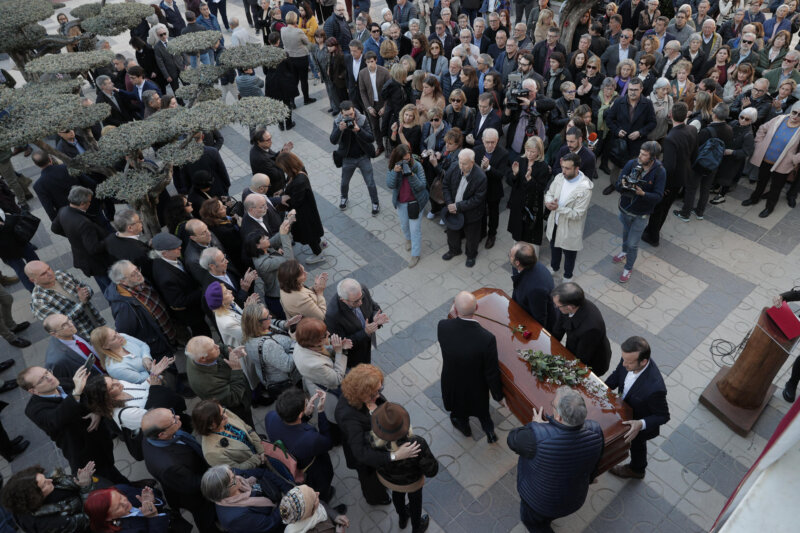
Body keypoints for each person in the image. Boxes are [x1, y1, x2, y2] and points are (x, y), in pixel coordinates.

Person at [507, 386, 604, 532]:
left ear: (558, 417)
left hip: (538, 503)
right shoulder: (596, 430)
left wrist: (536, 426)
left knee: (535, 524)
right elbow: (595, 462)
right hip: (574, 499)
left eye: (553, 405)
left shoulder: (537, 437)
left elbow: (512, 439)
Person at [19, 366, 128, 484]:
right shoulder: (34, 410)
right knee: (105, 480)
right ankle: (129, 489)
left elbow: (89, 394)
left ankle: (128, 485)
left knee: (110, 467)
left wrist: (96, 411)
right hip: (84, 453)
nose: (49, 378)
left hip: (100, 439)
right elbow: (56, 418)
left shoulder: (61, 382)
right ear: (33, 391)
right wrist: (76, 393)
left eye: (47, 372)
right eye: (41, 380)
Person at [335, 364, 420, 505]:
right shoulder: (348, 416)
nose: (378, 395)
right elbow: (361, 453)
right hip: (366, 459)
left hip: (376, 446)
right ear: (361, 394)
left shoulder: (363, 390)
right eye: (374, 394)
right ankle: (376, 498)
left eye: (379, 389)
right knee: (370, 481)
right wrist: (395, 456)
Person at [141, 408, 222, 533]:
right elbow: (192, 484)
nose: (178, 417)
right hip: (193, 495)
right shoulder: (169, 465)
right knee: (205, 515)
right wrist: (220, 474)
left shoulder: (150, 437)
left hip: (185, 476)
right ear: (161, 435)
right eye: (173, 420)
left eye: (173, 413)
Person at [438, 291, 504, 442]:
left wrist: (453, 313)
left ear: (454, 309)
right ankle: (490, 433)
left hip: (452, 382)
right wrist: (498, 396)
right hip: (477, 386)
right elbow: (491, 372)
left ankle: (465, 429)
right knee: (483, 413)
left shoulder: (443, 326)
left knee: (459, 411)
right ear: (477, 307)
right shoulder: (487, 338)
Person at [605, 336, 670, 479]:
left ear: (643, 361)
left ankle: (637, 470)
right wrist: (602, 389)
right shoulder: (627, 359)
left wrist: (640, 424)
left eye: (628, 362)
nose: (623, 364)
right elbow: (617, 375)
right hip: (625, 410)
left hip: (638, 423)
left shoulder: (655, 388)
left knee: (637, 445)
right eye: (623, 359)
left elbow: (663, 416)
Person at [370, 402, 437, 533]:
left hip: (390, 481)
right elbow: (432, 470)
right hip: (412, 483)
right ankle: (417, 527)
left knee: (397, 495)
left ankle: (402, 518)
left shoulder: (373, 441)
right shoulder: (416, 443)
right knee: (415, 501)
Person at [265, 388, 335, 501]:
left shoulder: (270, 417)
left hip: (291, 459)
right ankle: (325, 500)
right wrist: (321, 411)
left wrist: (305, 416)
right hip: (313, 470)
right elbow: (328, 442)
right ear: (299, 415)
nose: (309, 404)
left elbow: (293, 427)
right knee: (322, 487)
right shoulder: (310, 440)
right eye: (306, 404)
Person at [642, 102, 697, 246]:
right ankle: (652, 230)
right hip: (682, 176)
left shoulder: (671, 138)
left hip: (670, 181)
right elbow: (694, 153)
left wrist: (662, 186)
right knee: (665, 208)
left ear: (671, 115)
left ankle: (652, 236)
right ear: (686, 115)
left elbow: (669, 166)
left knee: (658, 209)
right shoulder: (691, 129)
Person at [612, 141, 666, 283]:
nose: (640, 156)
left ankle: (628, 268)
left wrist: (643, 194)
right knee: (625, 235)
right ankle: (624, 252)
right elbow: (618, 185)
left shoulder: (660, 172)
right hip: (625, 209)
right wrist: (622, 185)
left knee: (633, 244)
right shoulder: (632, 164)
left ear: (653, 157)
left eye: (644, 155)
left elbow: (659, 196)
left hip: (641, 215)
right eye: (640, 153)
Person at [673, 103, 734, 222]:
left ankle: (685, 213)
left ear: (715, 115)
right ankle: (699, 212)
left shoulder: (707, 131)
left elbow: (695, 147)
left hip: (699, 164)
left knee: (691, 188)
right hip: (714, 164)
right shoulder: (729, 129)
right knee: (705, 188)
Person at [106, 260, 176, 359]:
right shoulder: (124, 308)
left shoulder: (137, 281)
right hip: (159, 348)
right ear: (123, 281)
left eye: (137, 269)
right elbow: (126, 335)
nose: (138, 274)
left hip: (168, 334)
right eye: (132, 274)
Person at [50, 186, 114, 294]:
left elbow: (54, 228)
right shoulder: (84, 223)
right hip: (97, 263)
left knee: (103, 286)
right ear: (82, 204)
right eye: (89, 201)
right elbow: (94, 248)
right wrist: (111, 239)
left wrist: (73, 236)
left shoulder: (63, 210)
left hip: (85, 260)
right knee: (111, 289)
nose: (90, 203)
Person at [742, 101, 800, 217]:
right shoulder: (780, 118)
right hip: (766, 159)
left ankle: (769, 207)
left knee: (776, 188)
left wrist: (794, 159)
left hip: (783, 164)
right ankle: (754, 199)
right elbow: (762, 128)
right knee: (761, 182)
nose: (796, 116)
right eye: (794, 112)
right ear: (791, 110)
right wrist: (759, 144)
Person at [0, 463, 96, 533]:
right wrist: (85, 487)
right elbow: (88, 519)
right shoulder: (51, 523)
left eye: (44, 477)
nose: (50, 480)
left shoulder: (24, 499)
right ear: (34, 497)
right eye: (44, 484)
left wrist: (75, 482)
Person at [199, 464, 294, 533]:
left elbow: (263, 472)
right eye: (233, 479)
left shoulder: (232, 476)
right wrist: (288, 500)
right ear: (225, 492)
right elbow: (270, 523)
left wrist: (288, 488)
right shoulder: (236, 518)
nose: (238, 477)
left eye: (233, 473)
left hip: (280, 502)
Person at [150, 232, 212, 337]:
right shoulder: (166, 277)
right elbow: (178, 301)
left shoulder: (171, 258)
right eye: (174, 247)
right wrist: (202, 290)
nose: (179, 247)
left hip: (195, 303)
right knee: (202, 332)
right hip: (191, 314)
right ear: (164, 253)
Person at [602, 78, 657, 195]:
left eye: (635, 90)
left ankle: (627, 186)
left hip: (637, 143)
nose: (632, 92)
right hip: (620, 142)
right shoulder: (619, 102)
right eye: (630, 89)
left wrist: (640, 132)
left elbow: (652, 123)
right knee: (616, 165)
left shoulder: (647, 104)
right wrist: (617, 131)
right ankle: (614, 184)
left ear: (641, 89)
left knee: (634, 166)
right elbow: (609, 119)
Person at [544, 152, 593, 281]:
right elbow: (549, 193)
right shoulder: (560, 177)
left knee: (569, 254)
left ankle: (567, 276)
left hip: (570, 228)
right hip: (555, 222)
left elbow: (578, 214)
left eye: (567, 168)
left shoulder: (585, 188)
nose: (563, 171)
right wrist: (548, 202)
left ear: (577, 169)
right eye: (563, 167)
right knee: (554, 247)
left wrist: (557, 208)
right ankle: (554, 267)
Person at [184, 336, 253, 425]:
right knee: (247, 426)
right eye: (213, 348)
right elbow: (233, 398)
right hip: (238, 408)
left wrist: (231, 352)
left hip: (241, 391)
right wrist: (236, 370)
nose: (217, 346)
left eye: (214, 343)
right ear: (203, 359)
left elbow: (221, 347)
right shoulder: (207, 383)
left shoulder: (197, 354)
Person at [292, 318, 350, 422]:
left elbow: (321, 351)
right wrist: (341, 352)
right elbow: (337, 379)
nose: (328, 333)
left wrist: (334, 347)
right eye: (324, 335)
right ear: (315, 342)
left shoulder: (301, 343)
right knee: (337, 417)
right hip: (328, 392)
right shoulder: (314, 365)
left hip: (315, 378)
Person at [550, 282, 612, 375]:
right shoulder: (570, 307)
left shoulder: (591, 327)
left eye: (558, 306)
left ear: (570, 307)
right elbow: (558, 329)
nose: (556, 307)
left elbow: (581, 358)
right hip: (577, 347)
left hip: (593, 361)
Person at [276, 152, 327, 264]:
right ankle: (320, 245)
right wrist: (284, 191)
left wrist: (282, 197)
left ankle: (318, 254)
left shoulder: (300, 180)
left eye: (283, 168)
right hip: (306, 210)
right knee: (313, 232)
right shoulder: (296, 172)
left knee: (309, 235)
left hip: (304, 214)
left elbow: (295, 201)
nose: (283, 171)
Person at [241, 302, 301, 397]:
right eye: (267, 316)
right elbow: (288, 365)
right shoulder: (268, 346)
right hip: (287, 380)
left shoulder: (253, 331)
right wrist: (294, 341)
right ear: (258, 323)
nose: (271, 317)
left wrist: (287, 324)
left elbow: (273, 323)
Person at [331, 100, 380, 215]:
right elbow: (333, 140)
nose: (349, 117)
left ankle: (375, 202)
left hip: (363, 156)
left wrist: (358, 130)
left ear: (354, 111)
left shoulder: (362, 119)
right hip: (348, 158)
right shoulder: (338, 122)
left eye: (351, 114)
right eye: (346, 115)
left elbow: (371, 138)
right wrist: (340, 129)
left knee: (370, 182)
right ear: (341, 114)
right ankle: (344, 197)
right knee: (344, 182)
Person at [325, 278, 387, 368]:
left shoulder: (361, 290)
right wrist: (365, 332)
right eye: (356, 301)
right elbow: (342, 343)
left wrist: (375, 317)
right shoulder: (333, 316)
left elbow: (374, 306)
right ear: (343, 300)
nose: (361, 302)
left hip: (366, 345)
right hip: (354, 355)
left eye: (361, 298)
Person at [441, 149, 487, 268]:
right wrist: (450, 203)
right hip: (453, 209)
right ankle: (454, 250)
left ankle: (471, 255)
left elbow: (477, 199)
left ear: (472, 162)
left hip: (471, 213)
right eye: (460, 162)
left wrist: (458, 206)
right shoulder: (454, 166)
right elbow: (445, 185)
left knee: (472, 237)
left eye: (464, 163)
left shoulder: (481, 177)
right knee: (451, 232)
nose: (461, 166)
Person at [192, 399, 266, 469]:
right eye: (221, 417)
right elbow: (237, 469)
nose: (226, 416)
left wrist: (260, 449)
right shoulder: (211, 453)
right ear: (210, 426)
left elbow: (247, 428)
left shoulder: (221, 412)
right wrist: (258, 459)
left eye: (223, 411)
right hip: (256, 469)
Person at [386, 145, 428, 268]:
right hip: (401, 202)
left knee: (415, 229)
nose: (407, 161)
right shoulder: (394, 167)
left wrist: (411, 175)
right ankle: (408, 239)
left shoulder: (416, 166)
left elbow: (422, 186)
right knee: (404, 225)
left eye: (408, 159)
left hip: (415, 202)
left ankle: (415, 254)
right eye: (404, 160)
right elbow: (390, 184)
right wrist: (395, 172)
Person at [507, 137, 549, 252]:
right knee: (517, 231)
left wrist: (530, 179)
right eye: (527, 150)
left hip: (532, 206)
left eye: (532, 151)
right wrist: (515, 174)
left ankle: (531, 256)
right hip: (518, 203)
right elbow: (510, 181)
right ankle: (516, 252)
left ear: (539, 152)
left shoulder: (543, 167)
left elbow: (540, 189)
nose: (529, 154)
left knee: (531, 234)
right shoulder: (520, 160)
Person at [473, 128, 509, 250]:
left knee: (493, 213)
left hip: (494, 189)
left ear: (497, 140)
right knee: (480, 211)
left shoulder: (503, 153)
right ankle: (482, 232)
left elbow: (500, 175)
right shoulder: (477, 150)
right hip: (479, 189)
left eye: (493, 142)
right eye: (487, 142)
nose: (490, 145)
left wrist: (488, 168)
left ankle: (492, 234)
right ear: (482, 140)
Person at [42, 313, 105, 384]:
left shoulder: (69, 331)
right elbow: (63, 384)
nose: (71, 324)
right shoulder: (57, 360)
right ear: (54, 334)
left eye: (68, 319)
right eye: (64, 325)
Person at [89, 325, 158, 384]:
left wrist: (146, 357)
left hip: (157, 370)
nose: (119, 336)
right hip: (153, 382)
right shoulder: (114, 368)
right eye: (114, 338)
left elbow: (143, 345)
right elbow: (140, 379)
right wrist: (154, 370)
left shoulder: (122, 337)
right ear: (105, 346)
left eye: (116, 332)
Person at [83, 485, 168, 532]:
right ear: (109, 518)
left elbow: (156, 494)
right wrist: (154, 517)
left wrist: (154, 501)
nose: (125, 502)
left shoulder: (122, 489)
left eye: (120, 497)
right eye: (118, 507)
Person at [104, 209, 154, 281]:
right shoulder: (140, 251)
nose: (141, 222)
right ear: (130, 228)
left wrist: (147, 245)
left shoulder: (110, 239)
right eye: (138, 221)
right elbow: (150, 273)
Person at [279, 484, 350, 532]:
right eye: (314, 498)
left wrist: (335, 516)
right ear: (309, 512)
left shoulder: (300, 512)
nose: (318, 493)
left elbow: (321, 505)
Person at [358, 51, 391, 156]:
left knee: (386, 125)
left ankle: (389, 146)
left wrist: (385, 106)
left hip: (383, 103)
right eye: (368, 62)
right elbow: (362, 91)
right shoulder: (362, 73)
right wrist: (368, 107)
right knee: (374, 127)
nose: (370, 64)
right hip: (372, 105)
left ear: (376, 60)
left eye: (372, 61)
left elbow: (390, 90)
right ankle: (380, 146)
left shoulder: (384, 72)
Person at [205, 281, 247, 348]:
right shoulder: (228, 323)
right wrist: (250, 311)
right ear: (221, 302)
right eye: (226, 292)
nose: (230, 291)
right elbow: (248, 335)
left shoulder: (229, 303)